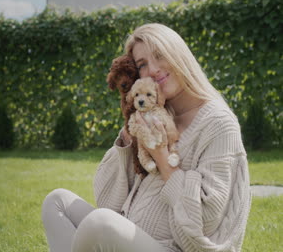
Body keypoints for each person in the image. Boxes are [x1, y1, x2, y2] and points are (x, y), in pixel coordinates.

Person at [41, 23, 251, 252]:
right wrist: (128, 135)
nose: (153, 69)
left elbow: (206, 217)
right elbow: (108, 201)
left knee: (99, 224)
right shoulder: (154, 114)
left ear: (179, 55)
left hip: (177, 248)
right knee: (57, 201)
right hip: (136, 237)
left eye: (160, 55)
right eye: (142, 65)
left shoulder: (218, 123)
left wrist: (161, 156)